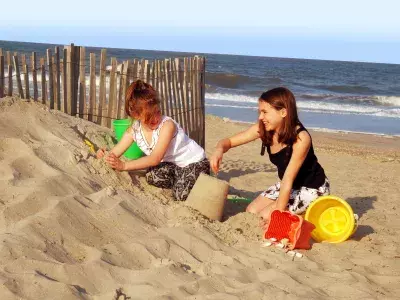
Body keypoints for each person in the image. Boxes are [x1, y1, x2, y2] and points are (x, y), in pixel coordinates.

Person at [210, 87, 330, 223]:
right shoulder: (264, 129)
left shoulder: (301, 138)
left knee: (265, 217)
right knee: (251, 211)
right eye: (260, 112)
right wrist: (219, 150)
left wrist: (278, 217)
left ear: (283, 112)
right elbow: (229, 142)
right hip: (288, 185)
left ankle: (306, 213)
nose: (260, 117)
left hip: (311, 188)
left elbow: (287, 180)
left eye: (265, 112)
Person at [97, 80, 210, 201]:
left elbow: (155, 159)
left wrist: (124, 166)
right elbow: (116, 152)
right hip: (175, 165)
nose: (156, 118)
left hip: (195, 162)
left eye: (158, 112)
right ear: (136, 115)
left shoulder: (167, 125)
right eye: (149, 116)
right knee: (152, 176)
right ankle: (183, 179)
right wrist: (106, 155)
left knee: (180, 195)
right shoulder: (133, 131)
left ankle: (200, 182)